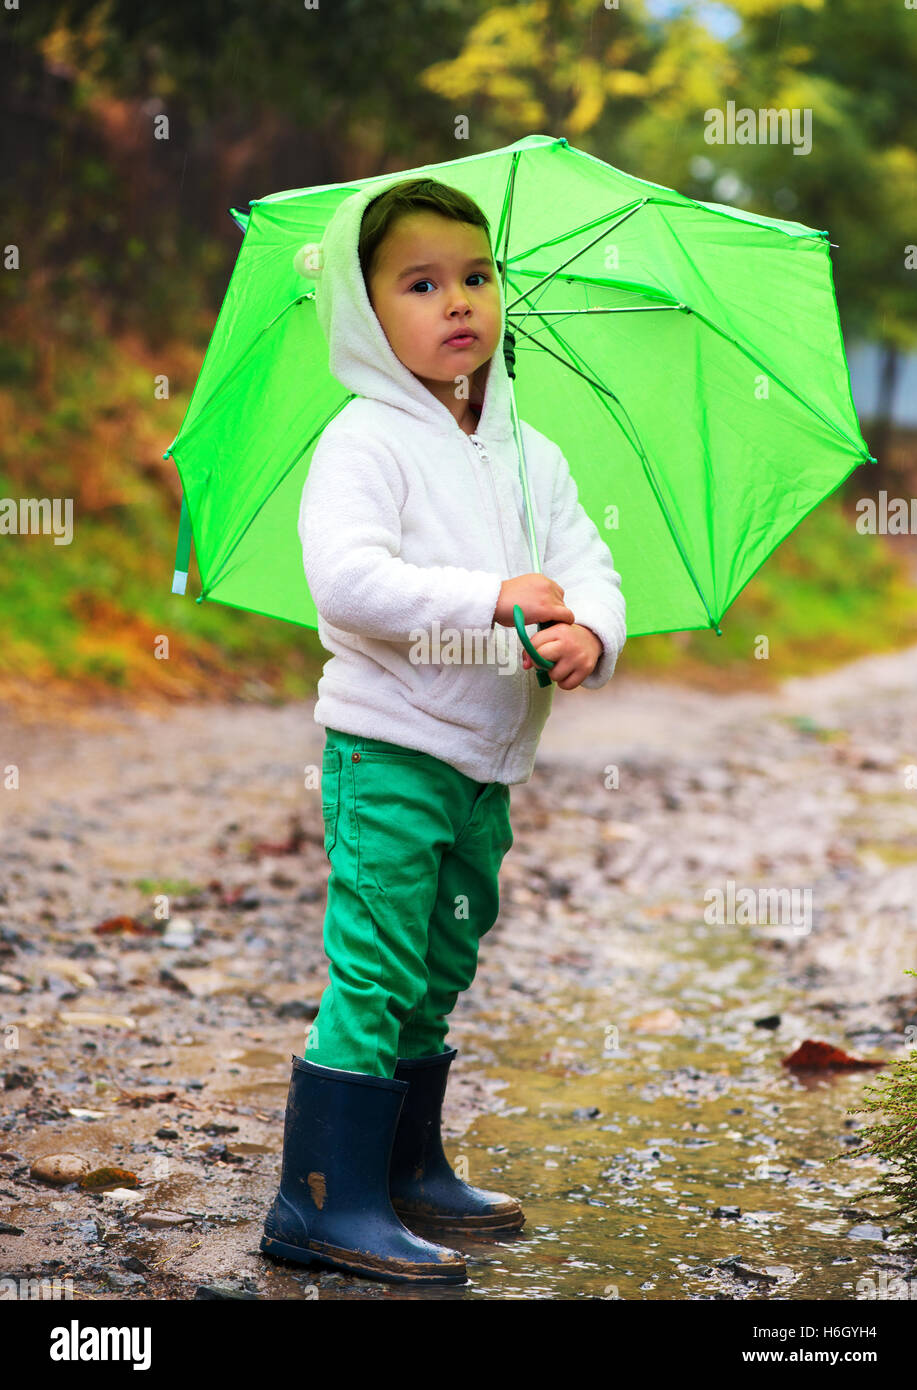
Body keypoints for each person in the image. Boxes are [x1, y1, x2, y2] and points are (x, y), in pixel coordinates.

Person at [261, 177, 626, 1288]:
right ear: (370, 316)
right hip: (389, 754)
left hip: (485, 768)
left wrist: (590, 636)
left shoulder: (534, 454)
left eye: (476, 275)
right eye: (421, 284)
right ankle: (322, 1200)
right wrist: (490, 597)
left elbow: (589, 568)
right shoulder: (365, 441)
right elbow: (350, 583)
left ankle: (407, 1168)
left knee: (441, 963)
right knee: (374, 968)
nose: (457, 300)